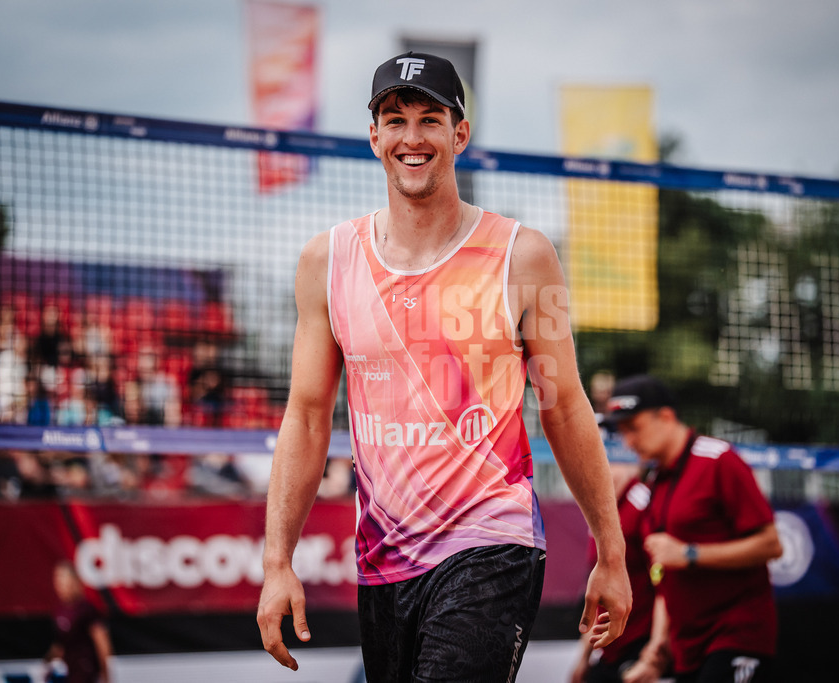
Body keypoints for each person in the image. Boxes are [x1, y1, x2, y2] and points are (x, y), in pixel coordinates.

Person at [257, 51, 632, 682]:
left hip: (492, 541)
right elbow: (308, 414)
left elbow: (564, 403)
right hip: (385, 555)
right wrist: (276, 563)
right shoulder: (329, 260)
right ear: (374, 135)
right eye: (395, 119)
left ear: (460, 133)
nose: (412, 137)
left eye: (430, 119)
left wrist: (611, 551)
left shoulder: (523, 255)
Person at [603, 374, 783, 683]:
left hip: (736, 636)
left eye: (633, 427)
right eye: (622, 432)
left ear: (667, 416)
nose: (628, 441)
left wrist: (690, 553)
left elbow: (771, 545)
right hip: (686, 649)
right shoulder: (654, 482)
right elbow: (665, 580)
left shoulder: (718, 460)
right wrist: (655, 654)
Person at [570, 459, 671, 683]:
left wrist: (655, 650)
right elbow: (599, 592)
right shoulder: (600, 512)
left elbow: (662, 579)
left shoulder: (642, 505)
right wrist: (584, 656)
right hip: (611, 646)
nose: (605, 472)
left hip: (640, 641)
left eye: (612, 462)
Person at [46, 561, 113, 683]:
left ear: (74, 582)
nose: (60, 586)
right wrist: (48, 663)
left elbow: (102, 643)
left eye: (64, 581)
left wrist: (106, 675)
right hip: (68, 673)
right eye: (58, 581)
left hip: (87, 673)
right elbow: (61, 644)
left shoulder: (86, 609)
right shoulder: (58, 611)